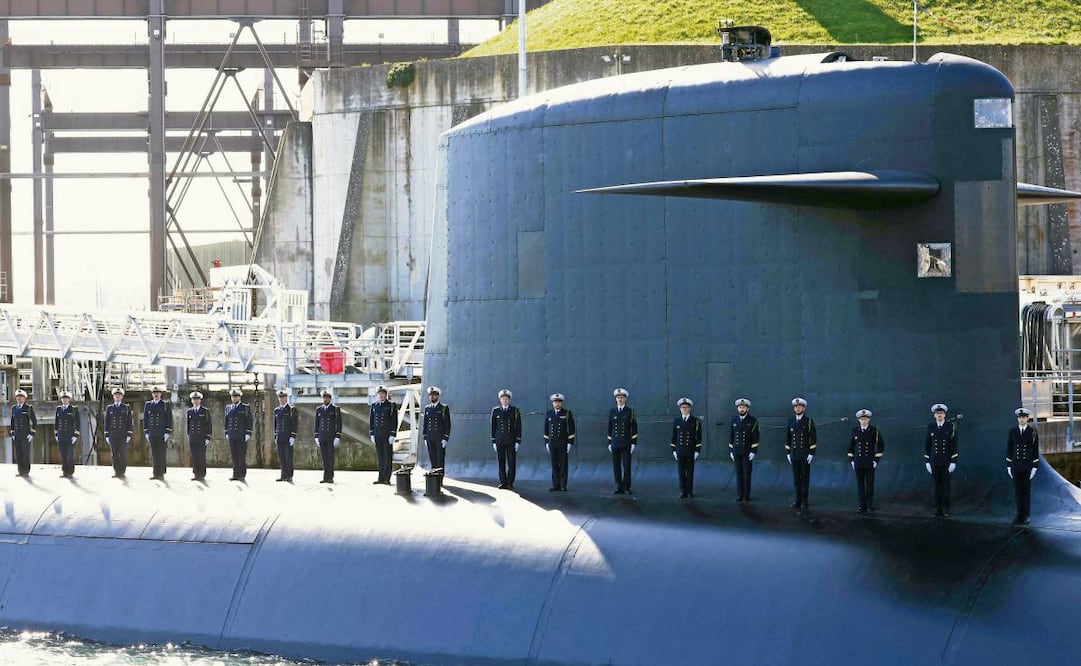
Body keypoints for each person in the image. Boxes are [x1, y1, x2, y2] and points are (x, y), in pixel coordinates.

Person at [1006, 407, 1040, 525]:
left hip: (1027, 466)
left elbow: (1035, 450)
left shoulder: (1033, 432)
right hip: (1016, 465)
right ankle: (1019, 515)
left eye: (1023, 417)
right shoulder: (1013, 432)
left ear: (1027, 418)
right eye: (1019, 418)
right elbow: (1010, 449)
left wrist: (1035, 467)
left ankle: (1026, 515)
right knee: (1017, 492)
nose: (1021, 420)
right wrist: (1009, 465)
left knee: (1026, 492)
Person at [924, 403, 958, 517]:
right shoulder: (931, 427)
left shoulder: (950, 427)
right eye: (937, 413)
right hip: (934, 461)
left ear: (944, 415)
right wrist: (927, 461)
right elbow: (927, 445)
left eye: (941, 413)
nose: (939, 415)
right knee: (936, 486)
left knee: (946, 486)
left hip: (946, 461)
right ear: (934, 415)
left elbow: (954, 446)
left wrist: (953, 462)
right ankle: (937, 508)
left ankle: (946, 508)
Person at [848, 409, 884, 513]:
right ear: (859, 420)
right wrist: (852, 460)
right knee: (860, 485)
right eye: (862, 419)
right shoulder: (855, 431)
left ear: (869, 419)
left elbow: (881, 446)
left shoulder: (874, 431)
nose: (864, 421)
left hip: (869, 463)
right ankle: (861, 505)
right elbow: (850, 447)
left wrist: (876, 461)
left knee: (870, 485)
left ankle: (869, 505)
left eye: (866, 418)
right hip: (858, 462)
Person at [786, 397, 817, 509]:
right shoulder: (791, 421)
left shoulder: (808, 422)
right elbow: (788, 438)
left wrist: (811, 453)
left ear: (803, 408)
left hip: (804, 454)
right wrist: (788, 453)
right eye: (796, 407)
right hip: (794, 454)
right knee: (796, 479)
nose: (798, 408)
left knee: (804, 478)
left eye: (800, 406)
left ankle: (804, 501)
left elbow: (813, 438)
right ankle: (797, 501)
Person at [728, 398, 759, 502]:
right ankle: (740, 495)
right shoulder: (734, 420)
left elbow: (755, 437)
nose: (741, 409)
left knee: (746, 474)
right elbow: (732, 436)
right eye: (740, 407)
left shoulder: (752, 420)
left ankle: (746, 495)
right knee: (738, 474)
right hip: (737, 451)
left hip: (747, 452)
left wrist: (753, 451)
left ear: (747, 408)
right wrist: (731, 450)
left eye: (743, 407)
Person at [608, 388, 638, 494]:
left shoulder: (630, 412)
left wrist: (634, 443)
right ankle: (618, 486)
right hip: (615, 443)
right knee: (616, 466)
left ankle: (626, 487)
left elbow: (634, 428)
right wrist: (609, 442)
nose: (620, 399)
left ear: (625, 399)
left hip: (626, 443)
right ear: (615, 399)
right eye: (618, 397)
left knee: (626, 466)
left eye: (622, 397)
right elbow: (610, 427)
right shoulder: (612, 411)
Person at [490, 389, 521, 490]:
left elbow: (518, 427)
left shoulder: (515, 411)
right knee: (501, 462)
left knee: (511, 462)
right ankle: (503, 482)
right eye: (503, 398)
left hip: (511, 440)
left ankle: (510, 482)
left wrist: (518, 441)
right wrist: (493, 441)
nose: (504, 400)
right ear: (500, 400)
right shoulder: (496, 411)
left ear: (509, 400)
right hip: (500, 440)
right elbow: (493, 427)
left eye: (506, 398)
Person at [544, 393, 575, 491]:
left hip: (563, 443)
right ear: (553, 403)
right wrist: (546, 442)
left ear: (561, 403)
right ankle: (555, 485)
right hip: (552, 443)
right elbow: (546, 429)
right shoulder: (549, 413)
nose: (557, 404)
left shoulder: (567, 413)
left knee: (563, 464)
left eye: (559, 402)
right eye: (555, 402)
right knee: (554, 465)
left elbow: (571, 429)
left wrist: (570, 443)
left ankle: (563, 485)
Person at [671, 397, 702, 498]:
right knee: (681, 472)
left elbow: (699, 437)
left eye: (686, 407)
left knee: (690, 472)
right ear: (680, 409)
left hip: (690, 451)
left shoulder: (696, 421)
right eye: (682, 407)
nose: (684, 409)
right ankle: (682, 491)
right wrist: (674, 450)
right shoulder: (677, 421)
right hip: (680, 450)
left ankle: (689, 491)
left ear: (690, 408)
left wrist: (697, 450)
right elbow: (674, 436)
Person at [370, 386, 399, 485]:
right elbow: (372, 421)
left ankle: (387, 478)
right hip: (377, 434)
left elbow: (394, 421)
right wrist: (372, 433)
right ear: (377, 395)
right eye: (380, 393)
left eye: (383, 393)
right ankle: (380, 477)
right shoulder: (374, 405)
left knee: (387, 456)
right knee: (380, 457)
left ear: (386, 395)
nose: (381, 395)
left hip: (387, 435)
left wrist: (393, 434)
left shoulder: (391, 405)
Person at [143, 386, 173, 480]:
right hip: (152, 432)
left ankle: (161, 473)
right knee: (154, 453)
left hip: (161, 433)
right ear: (152, 394)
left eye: (158, 393)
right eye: (154, 393)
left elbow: (169, 418)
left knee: (161, 453)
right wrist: (146, 431)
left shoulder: (165, 405)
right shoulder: (148, 404)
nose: (156, 394)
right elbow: (146, 419)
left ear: (161, 394)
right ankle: (155, 473)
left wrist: (167, 431)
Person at [314, 388, 343, 484]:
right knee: (324, 458)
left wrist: (338, 436)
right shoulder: (319, 409)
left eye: (327, 398)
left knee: (330, 458)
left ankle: (330, 477)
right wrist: (316, 436)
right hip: (322, 436)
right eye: (324, 398)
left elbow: (339, 424)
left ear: (330, 399)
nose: (325, 400)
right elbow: (316, 424)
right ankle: (325, 477)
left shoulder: (335, 409)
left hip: (331, 437)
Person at [224, 387, 253, 481]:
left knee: (241, 455)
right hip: (232, 435)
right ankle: (235, 474)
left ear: (240, 397)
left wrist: (248, 433)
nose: (234, 398)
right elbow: (226, 421)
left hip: (241, 435)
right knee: (234, 455)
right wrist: (226, 432)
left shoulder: (245, 407)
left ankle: (242, 474)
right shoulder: (228, 408)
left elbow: (249, 421)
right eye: (233, 396)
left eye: (236, 396)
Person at [105, 387, 133, 479]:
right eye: (116, 395)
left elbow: (129, 421)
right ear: (113, 397)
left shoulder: (126, 407)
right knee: (114, 454)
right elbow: (107, 422)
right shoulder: (109, 408)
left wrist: (129, 434)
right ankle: (116, 471)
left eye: (119, 395)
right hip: (113, 434)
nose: (117, 397)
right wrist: (107, 434)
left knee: (123, 454)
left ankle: (122, 471)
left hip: (122, 434)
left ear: (122, 397)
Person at [422, 386, 451, 471]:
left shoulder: (443, 408)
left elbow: (447, 424)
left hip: (439, 438)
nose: (432, 397)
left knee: (440, 459)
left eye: (434, 395)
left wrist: (446, 438)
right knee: (432, 459)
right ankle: (434, 481)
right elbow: (425, 423)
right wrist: (425, 437)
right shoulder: (427, 408)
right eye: (430, 395)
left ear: (438, 396)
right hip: (430, 437)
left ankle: (439, 480)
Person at [273, 389, 298, 483]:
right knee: (281, 457)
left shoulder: (291, 409)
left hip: (288, 437)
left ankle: (289, 475)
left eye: (283, 397)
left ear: (286, 398)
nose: (281, 399)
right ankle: (283, 475)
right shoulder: (277, 410)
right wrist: (275, 435)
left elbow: (294, 424)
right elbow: (276, 424)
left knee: (288, 457)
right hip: (280, 436)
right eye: (280, 397)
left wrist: (293, 436)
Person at [10, 389, 36, 477]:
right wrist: (12, 432)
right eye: (18, 397)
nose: (19, 399)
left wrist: (31, 433)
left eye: (21, 397)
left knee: (25, 453)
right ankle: (20, 471)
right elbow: (12, 421)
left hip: (26, 435)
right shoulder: (14, 408)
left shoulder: (28, 408)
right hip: (17, 435)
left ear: (24, 398)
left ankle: (26, 471)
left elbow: (34, 421)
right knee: (18, 453)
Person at [186, 391, 211, 481]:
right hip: (193, 437)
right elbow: (188, 425)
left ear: (200, 400)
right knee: (194, 456)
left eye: (197, 399)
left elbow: (208, 425)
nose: (195, 401)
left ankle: (202, 474)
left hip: (201, 437)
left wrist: (208, 437)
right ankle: (196, 473)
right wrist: (188, 435)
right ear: (192, 400)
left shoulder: (205, 411)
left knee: (201, 456)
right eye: (194, 399)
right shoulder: (190, 411)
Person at [54, 390, 79, 478]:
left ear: (69, 399)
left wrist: (76, 435)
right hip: (61, 435)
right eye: (63, 399)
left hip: (69, 436)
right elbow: (56, 422)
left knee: (70, 454)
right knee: (63, 454)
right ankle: (65, 471)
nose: (64, 400)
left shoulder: (73, 409)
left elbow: (77, 423)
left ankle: (70, 472)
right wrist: (56, 433)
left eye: (66, 398)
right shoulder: (59, 409)